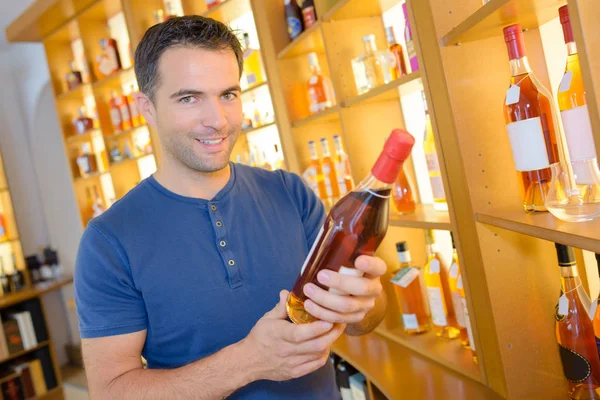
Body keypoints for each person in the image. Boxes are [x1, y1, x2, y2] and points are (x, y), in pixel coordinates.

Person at [74, 15, 387, 399]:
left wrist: (364, 305)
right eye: (189, 98)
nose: (217, 120)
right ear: (147, 108)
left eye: (228, 95)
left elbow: (364, 319)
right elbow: (110, 393)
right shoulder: (109, 240)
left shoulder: (290, 192)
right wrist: (248, 362)